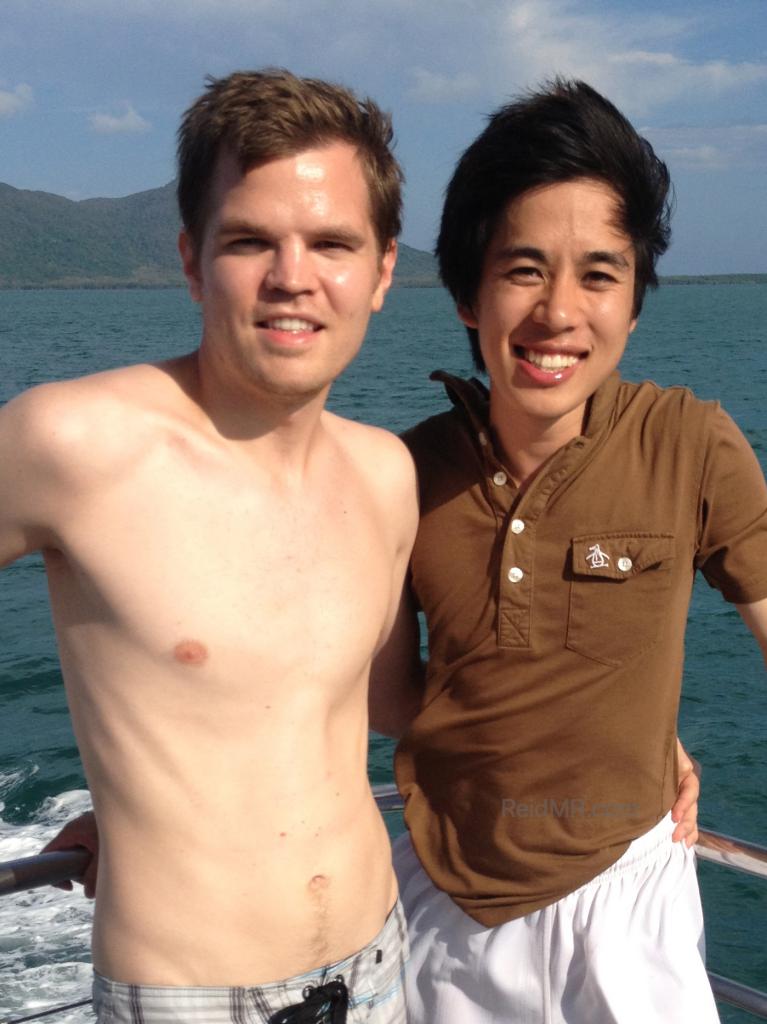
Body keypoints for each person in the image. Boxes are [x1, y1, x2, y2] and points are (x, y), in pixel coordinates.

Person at [1, 68, 417, 1023]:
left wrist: (630, 738)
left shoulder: (386, 473)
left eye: (331, 243)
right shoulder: (72, 443)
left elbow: (396, 708)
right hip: (187, 997)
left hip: (380, 967)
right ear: (191, 261)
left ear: (383, 271)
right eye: (249, 241)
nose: (292, 276)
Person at [373, 79, 767, 1023]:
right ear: (468, 293)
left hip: (630, 901)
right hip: (444, 908)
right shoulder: (400, 474)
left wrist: (634, 735)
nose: (558, 311)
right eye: (522, 270)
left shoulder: (691, 443)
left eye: (598, 274)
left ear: (634, 302)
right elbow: (386, 697)